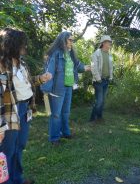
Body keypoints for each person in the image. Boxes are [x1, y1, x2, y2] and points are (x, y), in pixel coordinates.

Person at [0, 28, 52, 184]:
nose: (25, 47)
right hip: (9, 113)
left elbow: (26, 84)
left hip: (25, 109)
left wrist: (40, 79)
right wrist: (1, 127)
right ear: (12, 44)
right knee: (8, 150)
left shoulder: (21, 62)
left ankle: (17, 178)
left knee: (20, 145)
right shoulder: (2, 66)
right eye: (22, 43)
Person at [40, 31, 90, 145]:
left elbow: (78, 66)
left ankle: (65, 133)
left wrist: (88, 68)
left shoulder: (70, 54)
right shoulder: (56, 54)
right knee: (56, 114)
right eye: (70, 40)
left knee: (66, 112)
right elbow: (49, 72)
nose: (72, 42)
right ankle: (54, 138)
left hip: (68, 87)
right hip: (57, 88)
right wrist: (46, 90)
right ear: (63, 40)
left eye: (72, 40)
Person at [89, 35, 113, 122]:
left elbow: (110, 68)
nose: (110, 44)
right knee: (99, 101)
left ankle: (99, 117)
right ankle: (92, 119)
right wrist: (98, 78)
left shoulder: (109, 55)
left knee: (102, 101)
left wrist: (111, 77)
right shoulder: (96, 54)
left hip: (106, 80)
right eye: (108, 42)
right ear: (103, 43)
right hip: (98, 81)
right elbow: (93, 67)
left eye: (110, 42)